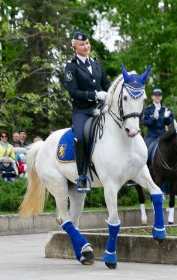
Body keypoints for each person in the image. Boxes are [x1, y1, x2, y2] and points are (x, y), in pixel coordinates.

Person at [64, 30, 110, 193]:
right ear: (75, 47)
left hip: (100, 109)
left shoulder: (96, 64)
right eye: (82, 44)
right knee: (80, 138)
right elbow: (73, 92)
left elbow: (107, 84)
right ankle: (82, 175)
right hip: (82, 111)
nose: (86, 46)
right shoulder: (71, 67)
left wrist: (112, 94)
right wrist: (95, 94)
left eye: (87, 43)